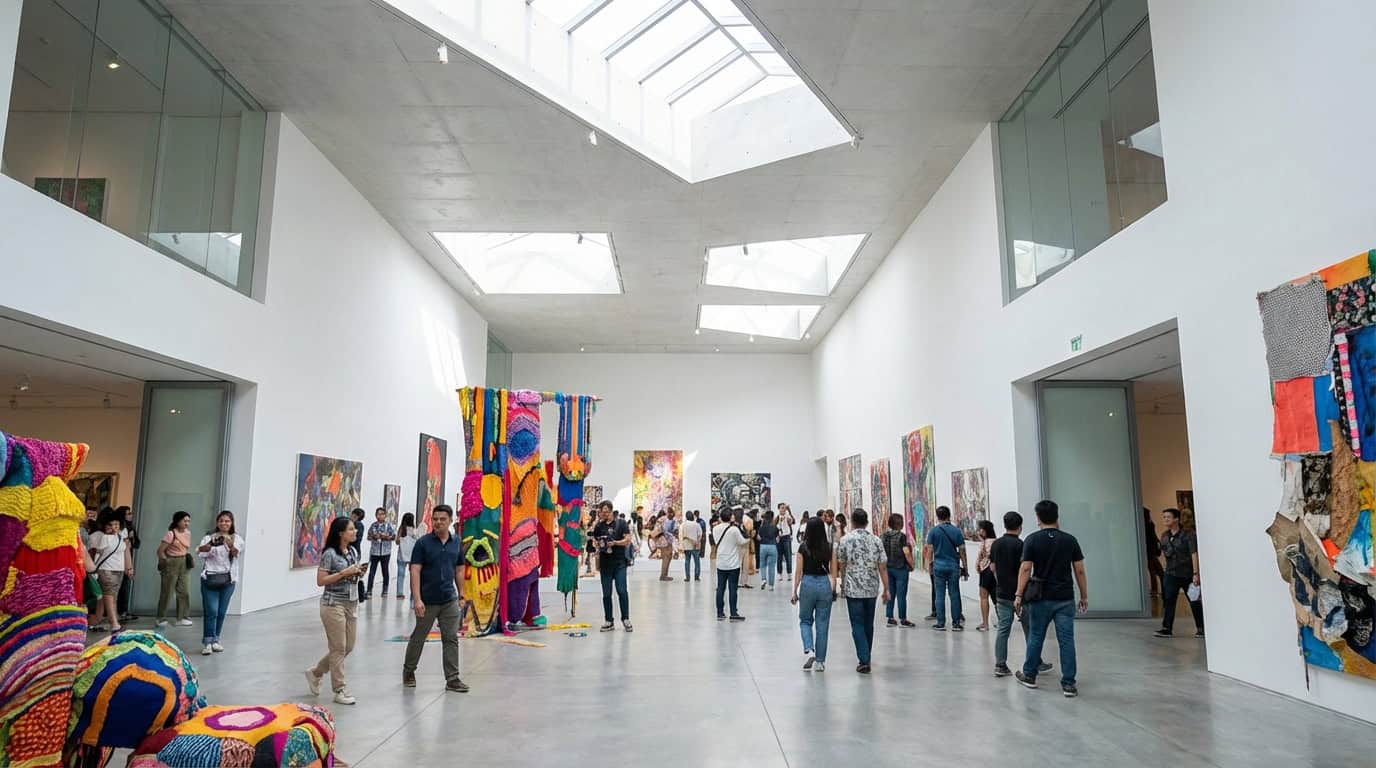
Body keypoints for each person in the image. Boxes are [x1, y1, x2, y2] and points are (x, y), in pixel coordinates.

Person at [1014, 499, 1088, 697]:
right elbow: (1079, 570)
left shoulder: (1032, 540)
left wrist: (1019, 594)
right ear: (1057, 516)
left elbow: (1026, 568)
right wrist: (1084, 596)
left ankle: (1029, 675)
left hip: (1040, 597)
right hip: (1064, 597)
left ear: (1038, 518)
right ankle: (1069, 683)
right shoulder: (1070, 540)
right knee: (1066, 640)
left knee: (1036, 636)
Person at [403, 505, 469, 692]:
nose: (438, 522)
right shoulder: (423, 543)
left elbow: (459, 569)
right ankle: (409, 671)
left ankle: (453, 678)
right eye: (435, 519)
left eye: (442, 519)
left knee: (451, 639)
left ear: (449, 521)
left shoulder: (456, 542)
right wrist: (417, 599)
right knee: (419, 637)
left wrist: (461, 594)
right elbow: (415, 570)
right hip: (427, 600)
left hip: (449, 599)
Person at [306, 517, 367, 705]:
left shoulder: (353, 551)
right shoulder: (330, 554)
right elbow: (321, 580)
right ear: (340, 533)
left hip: (351, 602)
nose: (355, 532)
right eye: (351, 529)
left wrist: (358, 572)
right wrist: (343, 573)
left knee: (347, 647)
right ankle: (339, 689)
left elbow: (351, 573)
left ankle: (316, 672)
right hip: (333, 604)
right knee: (338, 647)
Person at [989, 511, 1051, 678]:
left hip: (1002, 594)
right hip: (1021, 595)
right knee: (1030, 629)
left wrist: (1001, 581)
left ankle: (1000, 665)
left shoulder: (996, 544)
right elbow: (1025, 568)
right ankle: (1036, 661)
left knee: (1003, 629)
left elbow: (993, 568)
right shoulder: (1021, 545)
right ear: (1020, 527)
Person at [835, 508, 888, 673]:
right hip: (871, 588)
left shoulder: (845, 540)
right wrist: (886, 588)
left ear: (852, 521)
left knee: (857, 623)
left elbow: (841, 564)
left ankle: (864, 659)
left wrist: (842, 583)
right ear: (866, 522)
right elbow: (882, 566)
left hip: (853, 588)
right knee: (868, 624)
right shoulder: (876, 540)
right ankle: (866, 656)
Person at [792, 516, 836, 672]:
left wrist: (794, 591)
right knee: (822, 624)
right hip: (824, 584)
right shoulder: (830, 547)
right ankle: (820, 662)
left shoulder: (803, 548)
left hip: (808, 584)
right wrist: (834, 589)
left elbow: (798, 572)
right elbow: (833, 571)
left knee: (805, 620)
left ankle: (809, 648)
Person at [196, 510, 243, 655]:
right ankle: (207, 642)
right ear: (217, 523)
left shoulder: (237, 539)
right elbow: (199, 552)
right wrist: (209, 545)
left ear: (232, 523)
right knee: (211, 611)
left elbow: (236, 554)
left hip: (228, 580)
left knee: (221, 612)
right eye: (221, 521)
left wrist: (230, 544)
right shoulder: (209, 537)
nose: (224, 523)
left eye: (227, 521)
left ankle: (216, 640)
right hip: (210, 578)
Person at [1155, 507, 1203, 638]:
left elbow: (1194, 553)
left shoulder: (1188, 534)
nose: (1165, 519)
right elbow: (1164, 552)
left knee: (1193, 600)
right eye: (1164, 517)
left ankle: (1201, 627)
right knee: (1169, 600)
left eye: (1168, 517)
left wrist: (1195, 573)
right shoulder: (1165, 535)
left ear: (1176, 519)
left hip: (1187, 573)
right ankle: (1166, 628)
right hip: (1171, 573)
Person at [590, 500, 632, 631]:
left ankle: (625, 618)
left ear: (611, 511)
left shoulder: (621, 524)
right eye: (602, 512)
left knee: (622, 591)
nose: (604, 514)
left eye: (606, 512)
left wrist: (615, 543)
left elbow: (628, 540)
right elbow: (594, 540)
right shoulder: (599, 526)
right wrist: (597, 544)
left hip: (619, 563)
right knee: (606, 593)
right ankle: (609, 620)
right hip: (605, 564)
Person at [923, 506, 967, 631]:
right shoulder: (956, 531)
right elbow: (962, 551)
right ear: (949, 515)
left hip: (938, 566)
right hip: (953, 566)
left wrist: (928, 566)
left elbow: (930, 550)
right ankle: (956, 623)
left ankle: (940, 623)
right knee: (954, 594)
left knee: (939, 595)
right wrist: (965, 567)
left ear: (937, 517)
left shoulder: (933, 531)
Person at [87, 510, 132, 632]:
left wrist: (129, 567)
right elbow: (99, 551)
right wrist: (107, 536)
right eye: (111, 525)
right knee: (109, 596)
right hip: (106, 570)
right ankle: (114, 623)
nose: (114, 527)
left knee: (112, 596)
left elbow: (125, 551)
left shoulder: (121, 537)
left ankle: (98, 619)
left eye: (116, 524)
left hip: (118, 569)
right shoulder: (104, 537)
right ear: (106, 526)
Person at [156, 511, 194, 628]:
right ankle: (161, 617)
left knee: (184, 591)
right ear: (177, 521)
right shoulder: (171, 534)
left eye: (188, 521)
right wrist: (166, 561)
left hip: (184, 562)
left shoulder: (188, 533)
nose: (187, 523)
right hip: (172, 562)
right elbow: (160, 551)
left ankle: (182, 617)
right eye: (184, 521)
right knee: (167, 591)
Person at [712, 509, 748, 621]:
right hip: (733, 564)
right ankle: (733, 613)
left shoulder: (715, 528)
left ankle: (720, 613)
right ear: (731, 517)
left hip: (721, 562)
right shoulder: (734, 529)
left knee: (720, 588)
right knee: (733, 589)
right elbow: (742, 541)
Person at [881, 513, 915, 627]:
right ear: (900, 524)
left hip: (888, 568)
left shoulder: (884, 536)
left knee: (890, 592)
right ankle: (903, 619)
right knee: (901, 595)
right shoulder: (902, 536)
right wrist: (911, 563)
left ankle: (890, 618)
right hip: (900, 568)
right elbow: (906, 552)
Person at [366, 507, 397, 599]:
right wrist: (374, 536)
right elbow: (368, 537)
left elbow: (394, 537)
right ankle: (369, 590)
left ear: (385, 515)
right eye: (378, 514)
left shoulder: (389, 526)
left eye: (382, 514)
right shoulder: (373, 525)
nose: (380, 516)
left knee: (385, 571)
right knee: (372, 571)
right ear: (376, 515)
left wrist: (387, 537)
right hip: (374, 552)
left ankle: (385, 590)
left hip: (385, 552)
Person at [116, 506, 140, 622]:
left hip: (128, 558)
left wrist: (132, 538)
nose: (130, 515)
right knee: (120, 587)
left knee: (125, 586)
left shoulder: (130, 528)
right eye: (128, 514)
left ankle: (123, 610)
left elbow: (136, 544)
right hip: (119, 561)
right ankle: (119, 611)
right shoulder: (119, 528)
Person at [975, 520, 997, 631]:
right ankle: (1000, 621)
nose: (978, 531)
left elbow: (983, 556)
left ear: (984, 530)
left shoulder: (987, 542)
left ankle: (985, 623)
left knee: (983, 596)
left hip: (986, 570)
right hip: (993, 571)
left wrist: (977, 566)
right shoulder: (996, 541)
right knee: (995, 596)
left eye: (979, 529)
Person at [395, 513, 423, 599]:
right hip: (412, 555)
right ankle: (413, 595)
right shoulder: (414, 530)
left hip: (401, 555)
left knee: (400, 575)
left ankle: (399, 593)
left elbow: (397, 541)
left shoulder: (401, 529)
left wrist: (403, 541)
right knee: (413, 576)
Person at [757, 510, 780, 590]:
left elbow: (758, 538)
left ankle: (763, 579)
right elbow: (777, 540)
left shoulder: (761, 527)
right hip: (772, 547)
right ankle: (771, 586)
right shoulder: (775, 527)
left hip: (763, 546)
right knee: (772, 567)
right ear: (772, 517)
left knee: (762, 565)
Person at [349, 508, 367, 602]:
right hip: (354, 551)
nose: (353, 517)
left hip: (354, 552)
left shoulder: (358, 525)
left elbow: (356, 540)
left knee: (354, 574)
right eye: (353, 515)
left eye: (355, 516)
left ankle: (356, 595)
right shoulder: (352, 524)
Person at [1144, 507, 1163, 596]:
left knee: (1154, 570)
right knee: (1157, 570)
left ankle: (1155, 590)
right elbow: (1153, 537)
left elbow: (1152, 537)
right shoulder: (1148, 524)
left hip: (1150, 550)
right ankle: (1157, 589)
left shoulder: (1147, 525)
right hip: (1151, 549)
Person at [655, 509, 678, 581]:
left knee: (668, 557)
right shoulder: (664, 519)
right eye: (671, 514)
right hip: (665, 541)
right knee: (666, 557)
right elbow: (664, 531)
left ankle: (664, 575)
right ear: (668, 513)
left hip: (665, 541)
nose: (672, 516)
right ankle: (663, 575)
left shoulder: (665, 519)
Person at [680, 511, 703, 582]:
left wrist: (681, 545)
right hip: (695, 546)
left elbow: (681, 535)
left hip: (686, 545)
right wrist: (697, 542)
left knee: (687, 561)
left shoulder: (683, 525)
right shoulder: (696, 524)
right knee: (697, 562)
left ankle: (687, 577)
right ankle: (696, 577)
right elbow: (700, 534)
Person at [777, 504, 794, 580]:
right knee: (779, 557)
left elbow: (792, 522)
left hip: (786, 537)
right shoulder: (777, 517)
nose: (783, 509)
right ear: (779, 509)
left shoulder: (788, 516)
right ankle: (779, 574)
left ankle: (789, 574)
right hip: (779, 538)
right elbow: (774, 525)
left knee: (788, 556)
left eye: (784, 508)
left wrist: (789, 512)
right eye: (782, 508)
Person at [739, 510, 756, 588]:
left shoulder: (747, 523)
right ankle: (740, 582)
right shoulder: (737, 526)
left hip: (746, 545)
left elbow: (751, 532)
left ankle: (743, 582)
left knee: (745, 564)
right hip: (740, 545)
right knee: (739, 565)